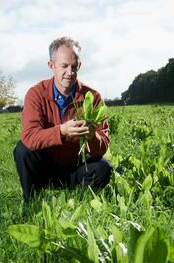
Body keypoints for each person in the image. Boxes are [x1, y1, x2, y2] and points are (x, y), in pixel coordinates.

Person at [13, 36, 112, 202]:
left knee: (103, 167)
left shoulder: (93, 97)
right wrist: (62, 131)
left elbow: (102, 147)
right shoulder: (36, 94)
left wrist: (92, 137)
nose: (70, 73)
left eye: (74, 67)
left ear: (79, 65)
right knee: (22, 150)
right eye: (64, 66)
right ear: (51, 66)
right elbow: (29, 137)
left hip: (76, 166)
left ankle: (81, 202)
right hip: (45, 168)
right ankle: (32, 202)